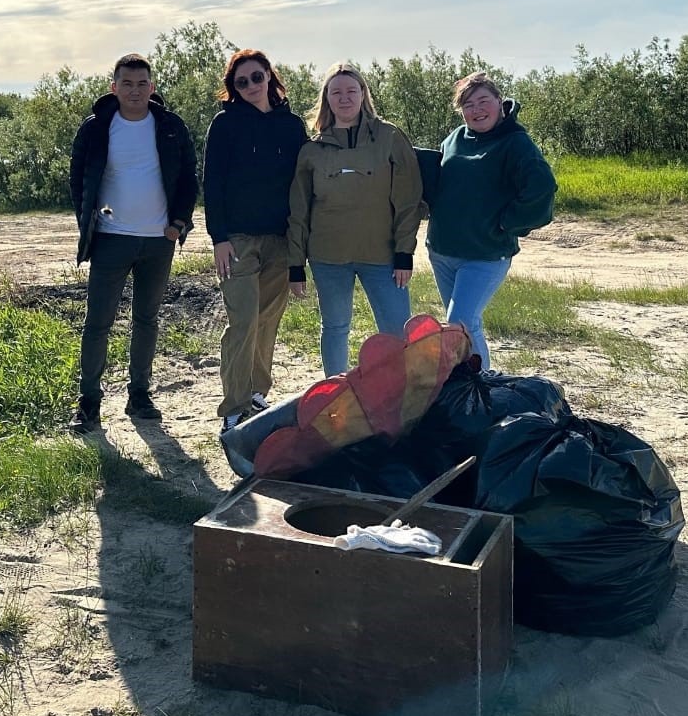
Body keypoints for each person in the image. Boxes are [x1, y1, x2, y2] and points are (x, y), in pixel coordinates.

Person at [67, 53, 198, 434]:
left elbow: (189, 177)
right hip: (111, 240)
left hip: (159, 241)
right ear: (114, 87)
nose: (135, 90)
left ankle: (139, 396)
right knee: (97, 324)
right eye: (127, 83)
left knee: (146, 319)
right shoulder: (96, 127)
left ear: (152, 87)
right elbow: (78, 178)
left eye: (142, 84)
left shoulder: (171, 126)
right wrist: (88, 222)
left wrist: (178, 223)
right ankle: (89, 403)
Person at [287, 63, 423, 378]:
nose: (344, 98)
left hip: (384, 256)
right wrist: (296, 264)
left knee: (396, 332)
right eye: (336, 92)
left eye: (351, 90)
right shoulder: (312, 149)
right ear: (327, 99)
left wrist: (405, 252)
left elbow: (408, 199)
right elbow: (299, 210)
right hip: (328, 257)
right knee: (335, 327)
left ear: (363, 94)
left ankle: (398, 398)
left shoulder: (389, 137)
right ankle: (335, 395)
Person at [417, 71, 556, 369]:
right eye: (468, 104)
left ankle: (478, 384)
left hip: (485, 254)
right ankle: (479, 386)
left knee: (459, 324)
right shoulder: (455, 139)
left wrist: (508, 223)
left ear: (499, 102)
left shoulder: (515, 143)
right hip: (442, 250)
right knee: (468, 327)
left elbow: (541, 188)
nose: (477, 109)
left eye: (483, 101)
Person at [204, 49, 308, 433]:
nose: (250, 85)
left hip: (280, 240)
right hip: (239, 241)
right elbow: (212, 184)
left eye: (257, 77)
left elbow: (303, 186)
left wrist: (302, 242)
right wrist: (219, 238)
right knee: (243, 320)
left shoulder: (292, 126)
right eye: (241, 81)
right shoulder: (226, 125)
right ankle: (233, 407)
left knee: (268, 320)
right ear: (233, 87)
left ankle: (257, 393)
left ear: (270, 77)